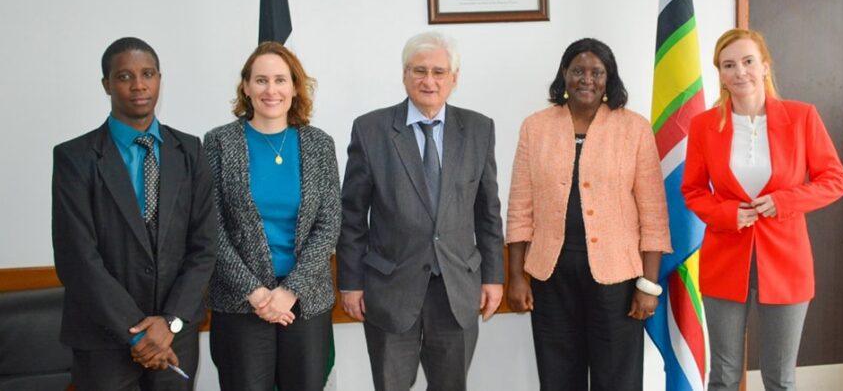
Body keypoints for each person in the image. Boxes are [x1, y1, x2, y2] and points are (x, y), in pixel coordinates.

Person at [682, 28, 843, 391]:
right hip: (724, 259)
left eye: (747, 61)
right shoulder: (703, 126)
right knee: (724, 376)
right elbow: (692, 190)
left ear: (765, 67)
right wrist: (728, 214)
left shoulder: (802, 116)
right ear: (721, 74)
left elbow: (835, 179)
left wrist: (783, 201)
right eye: (729, 65)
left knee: (780, 377)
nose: (739, 72)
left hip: (788, 262)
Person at [337, 31, 504, 391]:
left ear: (454, 79)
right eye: (419, 70)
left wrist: (493, 277)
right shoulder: (371, 130)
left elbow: (488, 212)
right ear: (404, 75)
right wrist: (350, 283)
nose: (429, 81)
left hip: (457, 289)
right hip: (390, 290)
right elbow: (352, 216)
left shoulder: (478, 129)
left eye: (439, 72)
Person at [506, 38, 671, 391]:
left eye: (597, 72)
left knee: (617, 380)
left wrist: (649, 285)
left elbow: (654, 214)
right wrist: (517, 276)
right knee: (558, 376)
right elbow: (520, 206)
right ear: (564, 74)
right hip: (551, 275)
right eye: (578, 70)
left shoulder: (634, 128)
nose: (587, 79)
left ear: (608, 78)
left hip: (618, 279)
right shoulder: (535, 127)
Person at [52, 37, 216, 390]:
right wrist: (137, 334)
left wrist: (169, 323)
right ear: (106, 84)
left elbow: (204, 247)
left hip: (175, 338)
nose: (139, 85)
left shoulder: (189, 151)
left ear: (159, 79)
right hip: (102, 339)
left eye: (148, 74)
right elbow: (77, 258)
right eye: (124, 76)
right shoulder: (74, 158)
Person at [204, 41, 341, 391]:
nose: (271, 90)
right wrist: (255, 293)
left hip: (305, 303)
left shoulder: (319, 144)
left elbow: (328, 225)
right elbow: (210, 226)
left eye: (280, 80)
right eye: (261, 80)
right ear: (246, 87)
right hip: (240, 304)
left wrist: (289, 291)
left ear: (295, 88)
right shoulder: (219, 142)